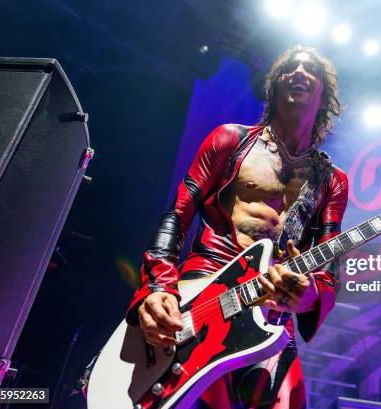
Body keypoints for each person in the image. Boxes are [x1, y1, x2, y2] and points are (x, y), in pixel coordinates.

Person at [125, 45, 348, 408]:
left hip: (268, 307)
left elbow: (328, 266)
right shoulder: (231, 139)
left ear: (324, 94)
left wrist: (311, 297)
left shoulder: (332, 181)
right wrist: (157, 287)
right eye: (291, 66)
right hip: (204, 289)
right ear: (275, 85)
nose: (299, 71)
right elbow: (177, 214)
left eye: (311, 69)